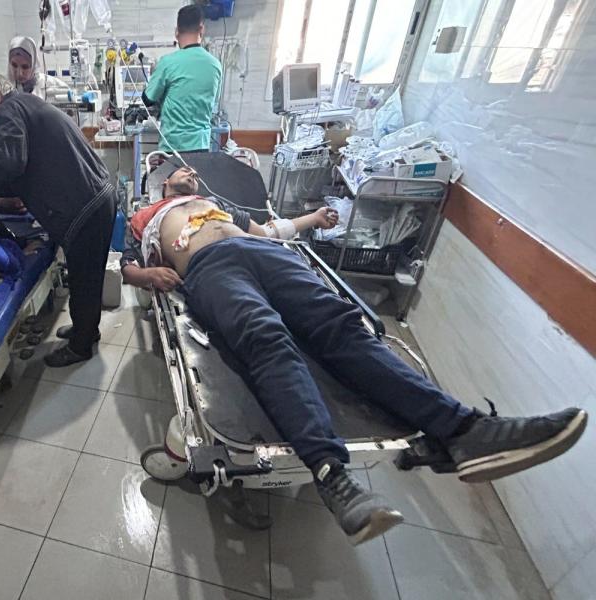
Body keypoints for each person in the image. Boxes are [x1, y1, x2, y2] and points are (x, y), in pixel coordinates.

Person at [121, 165, 588, 545]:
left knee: (343, 326)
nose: (187, 173)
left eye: (189, 171)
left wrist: (313, 221)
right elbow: (125, 267)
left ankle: (466, 430)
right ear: (162, 183)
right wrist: (148, 277)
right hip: (209, 267)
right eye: (176, 172)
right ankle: (332, 476)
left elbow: (274, 229)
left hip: (269, 255)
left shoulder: (220, 205)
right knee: (266, 336)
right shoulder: (147, 216)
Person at [0, 72, 115, 368]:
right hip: (95, 199)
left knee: (84, 278)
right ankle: (84, 331)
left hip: (84, 207)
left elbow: (8, 161)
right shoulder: (27, 106)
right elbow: (19, 170)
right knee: (85, 277)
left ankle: (80, 347)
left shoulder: (8, 110)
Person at [142, 5, 222, 153]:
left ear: (176, 32)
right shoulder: (215, 65)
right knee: (196, 177)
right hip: (201, 146)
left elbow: (147, 99)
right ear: (202, 29)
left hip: (172, 148)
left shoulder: (167, 62)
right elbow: (212, 100)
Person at [7, 35, 70, 101]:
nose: (19, 73)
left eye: (25, 67)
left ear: (34, 65)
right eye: (14, 65)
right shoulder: (2, 89)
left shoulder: (56, 86)